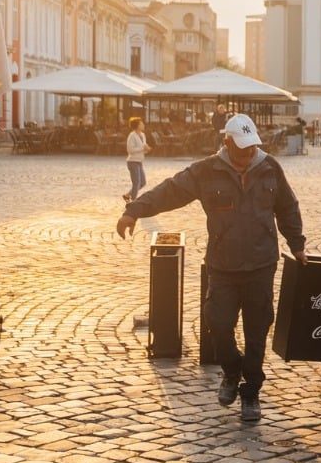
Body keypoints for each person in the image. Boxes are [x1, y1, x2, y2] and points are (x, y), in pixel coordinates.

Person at [116, 114, 307, 422]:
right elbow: (170, 190)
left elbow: (287, 206)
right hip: (223, 265)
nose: (246, 156)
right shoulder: (207, 171)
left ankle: (251, 393)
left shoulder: (269, 167)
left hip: (261, 264)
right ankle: (231, 372)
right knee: (218, 325)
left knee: (257, 332)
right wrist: (134, 210)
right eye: (240, 149)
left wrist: (297, 244)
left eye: (251, 149)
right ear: (226, 142)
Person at [123, 117, 151, 203]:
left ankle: (127, 195)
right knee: (136, 183)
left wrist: (147, 149)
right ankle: (133, 202)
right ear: (137, 125)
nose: (143, 125)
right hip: (132, 162)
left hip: (139, 161)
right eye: (141, 123)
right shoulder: (132, 136)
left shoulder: (143, 135)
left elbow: (143, 148)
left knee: (143, 182)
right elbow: (130, 150)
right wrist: (142, 148)